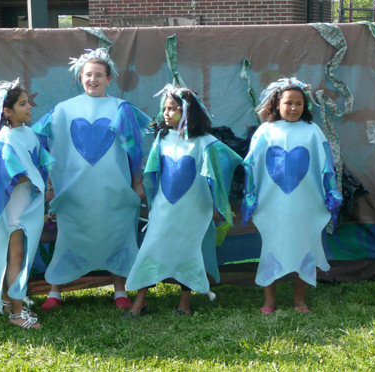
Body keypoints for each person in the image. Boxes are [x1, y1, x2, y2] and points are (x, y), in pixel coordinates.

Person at [32, 48, 151, 311]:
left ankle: (120, 291)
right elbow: (43, 145)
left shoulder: (121, 109)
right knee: (69, 237)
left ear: (110, 79)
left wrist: (137, 181)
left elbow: (134, 150)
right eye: (88, 75)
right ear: (80, 77)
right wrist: (50, 184)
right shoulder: (63, 110)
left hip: (114, 191)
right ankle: (55, 291)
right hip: (74, 192)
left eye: (99, 75)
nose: (92, 80)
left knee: (118, 235)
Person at [124, 85, 241, 317]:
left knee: (189, 249)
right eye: (164, 109)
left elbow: (223, 167)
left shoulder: (205, 142)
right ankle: (140, 300)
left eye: (172, 109)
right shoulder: (162, 138)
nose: (166, 114)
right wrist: (150, 197)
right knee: (151, 247)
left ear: (188, 112)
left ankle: (184, 301)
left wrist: (218, 204)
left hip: (195, 209)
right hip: (164, 208)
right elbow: (152, 172)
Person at [242, 78, 342, 314]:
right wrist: (251, 195)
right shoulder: (265, 131)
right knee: (271, 247)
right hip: (272, 203)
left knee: (305, 246)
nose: (294, 108)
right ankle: (269, 300)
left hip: (305, 203)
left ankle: (300, 299)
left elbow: (327, 165)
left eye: (299, 103)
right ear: (277, 104)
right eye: (289, 103)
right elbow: (252, 166)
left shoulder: (312, 131)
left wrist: (331, 192)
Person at [0, 80, 53, 330]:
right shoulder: (4, 141)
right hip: (15, 205)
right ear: (7, 111)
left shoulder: (28, 134)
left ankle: (9, 299)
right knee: (17, 255)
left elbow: (41, 162)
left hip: (27, 201)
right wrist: (34, 177)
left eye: (28, 102)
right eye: (23, 104)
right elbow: (10, 173)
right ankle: (17, 312)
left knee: (18, 253)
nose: (29, 107)